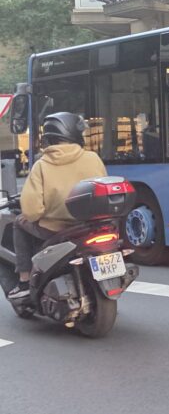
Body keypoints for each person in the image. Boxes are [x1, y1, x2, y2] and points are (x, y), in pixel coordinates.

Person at [6, 113, 107, 300]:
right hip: (89, 227)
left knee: (19, 223)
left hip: (55, 230)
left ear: (50, 138)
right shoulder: (93, 158)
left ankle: (23, 280)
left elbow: (32, 212)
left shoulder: (42, 165)